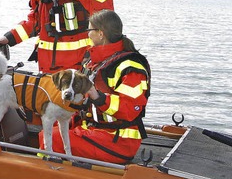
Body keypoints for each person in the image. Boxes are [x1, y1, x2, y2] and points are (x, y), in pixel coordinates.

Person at [41, 10, 151, 163]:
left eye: (89, 30)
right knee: (49, 126)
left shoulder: (130, 67)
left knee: (48, 139)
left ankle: (51, 176)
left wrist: (98, 97)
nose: (87, 34)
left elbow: (130, 109)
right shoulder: (93, 61)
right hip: (95, 129)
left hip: (118, 140)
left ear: (101, 33)